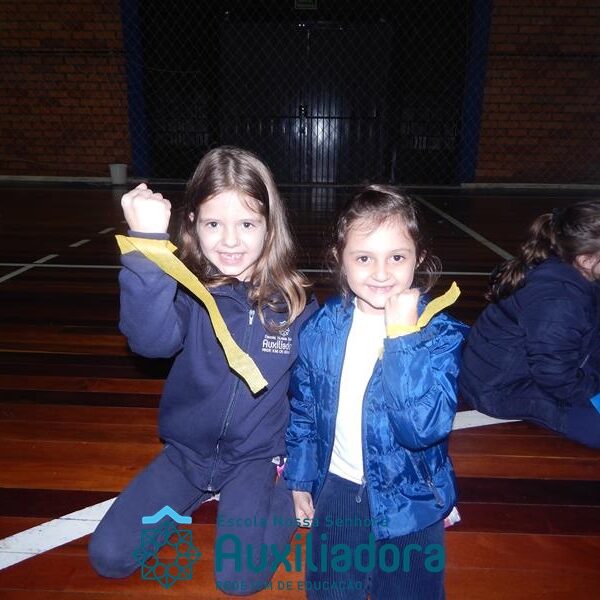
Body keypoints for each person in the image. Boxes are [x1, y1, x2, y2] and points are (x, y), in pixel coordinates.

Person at [89, 146, 317, 595]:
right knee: (109, 557)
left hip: (255, 460)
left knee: (239, 579)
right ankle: (198, 491)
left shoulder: (296, 306)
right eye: (214, 224)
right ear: (192, 223)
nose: (230, 241)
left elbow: (312, 397)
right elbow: (149, 342)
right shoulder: (187, 293)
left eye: (247, 224)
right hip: (187, 455)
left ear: (270, 226)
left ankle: (280, 497)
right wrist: (147, 245)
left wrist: (301, 477)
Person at [284, 185, 468, 599]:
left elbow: (420, 428)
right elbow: (305, 410)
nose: (381, 273)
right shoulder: (320, 329)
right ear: (340, 259)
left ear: (418, 258)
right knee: (329, 591)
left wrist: (402, 337)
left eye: (397, 257)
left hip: (412, 495)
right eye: (364, 258)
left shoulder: (439, 334)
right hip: (340, 484)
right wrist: (300, 477)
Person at [459, 200, 600, 448]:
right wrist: (594, 386)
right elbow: (556, 378)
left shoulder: (573, 271)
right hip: (503, 389)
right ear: (586, 259)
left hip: (543, 367)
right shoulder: (559, 299)